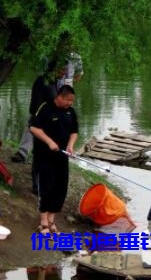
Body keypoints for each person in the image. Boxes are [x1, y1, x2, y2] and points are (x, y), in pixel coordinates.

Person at [30, 85, 78, 234]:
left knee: (60, 187)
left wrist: (70, 145)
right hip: (44, 155)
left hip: (62, 156)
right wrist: (49, 141)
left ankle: (51, 220)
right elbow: (33, 127)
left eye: (72, 101)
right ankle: (43, 222)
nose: (70, 103)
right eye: (68, 100)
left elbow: (74, 132)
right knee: (46, 186)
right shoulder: (45, 107)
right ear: (60, 97)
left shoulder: (70, 112)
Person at [11, 60, 60, 165]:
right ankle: (22, 153)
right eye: (63, 69)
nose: (65, 72)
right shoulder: (43, 82)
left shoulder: (57, 82)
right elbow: (36, 102)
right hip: (39, 113)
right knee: (32, 126)